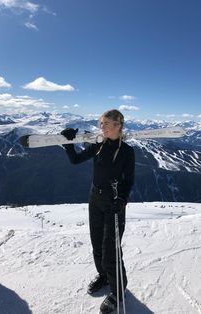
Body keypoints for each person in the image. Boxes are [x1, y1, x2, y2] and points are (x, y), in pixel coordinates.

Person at [61, 109, 135, 313]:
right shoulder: (99, 145)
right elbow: (75, 160)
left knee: (111, 250)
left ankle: (118, 291)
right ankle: (104, 275)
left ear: (118, 125)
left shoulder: (127, 151)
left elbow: (129, 180)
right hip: (95, 198)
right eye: (101, 123)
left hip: (113, 203)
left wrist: (122, 199)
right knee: (97, 244)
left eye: (106, 123)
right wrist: (68, 143)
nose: (101, 126)